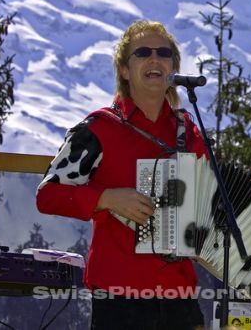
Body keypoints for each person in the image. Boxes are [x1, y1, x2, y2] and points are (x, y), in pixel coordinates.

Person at [36, 20, 207, 329]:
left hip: (181, 295)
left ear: (174, 68)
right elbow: (48, 194)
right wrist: (106, 198)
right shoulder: (98, 128)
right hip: (119, 299)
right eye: (143, 52)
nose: (155, 59)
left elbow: (213, 204)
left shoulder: (190, 132)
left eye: (164, 53)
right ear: (125, 70)